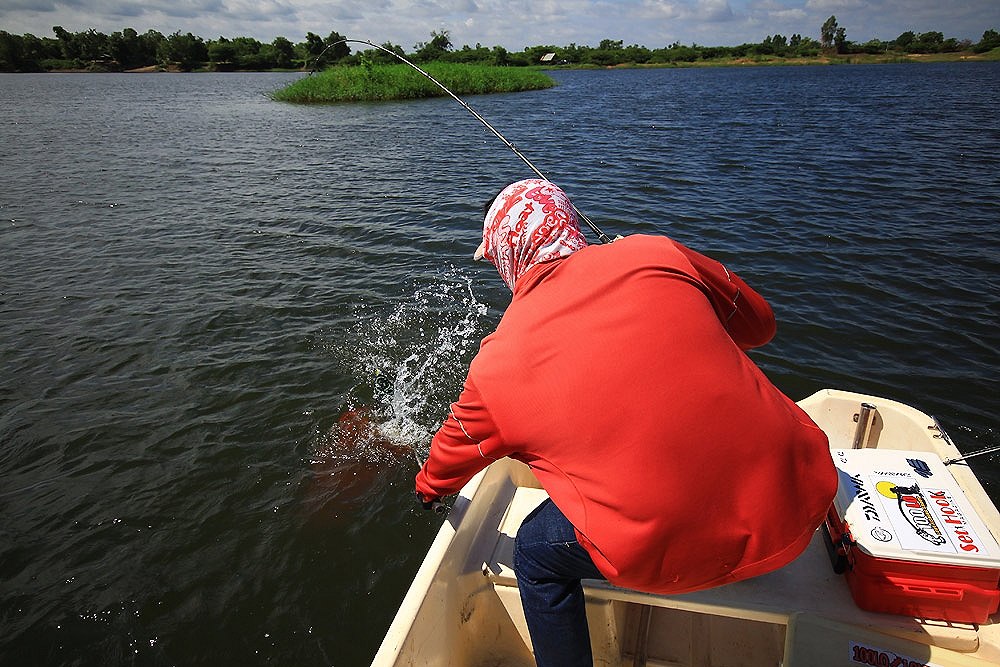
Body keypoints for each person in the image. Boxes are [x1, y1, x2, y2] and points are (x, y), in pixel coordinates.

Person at [414, 178, 838, 667]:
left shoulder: (497, 364)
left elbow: (452, 452)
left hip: (672, 558)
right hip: (799, 503)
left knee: (534, 553)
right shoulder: (654, 252)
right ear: (568, 219)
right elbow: (760, 326)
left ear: (506, 257)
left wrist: (428, 489)